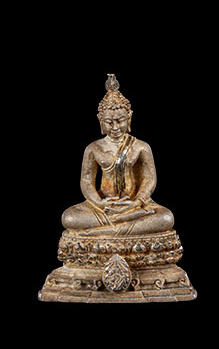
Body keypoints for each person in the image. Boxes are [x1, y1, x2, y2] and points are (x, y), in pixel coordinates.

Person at [61, 74, 174, 236]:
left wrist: (137, 202)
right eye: (109, 122)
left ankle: (104, 230)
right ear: (100, 120)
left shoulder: (141, 147)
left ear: (129, 118)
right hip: (104, 206)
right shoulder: (93, 148)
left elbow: (150, 179)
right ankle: (122, 224)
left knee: (165, 218)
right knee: (69, 217)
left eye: (120, 121)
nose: (115, 127)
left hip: (135, 205)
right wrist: (100, 203)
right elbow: (86, 182)